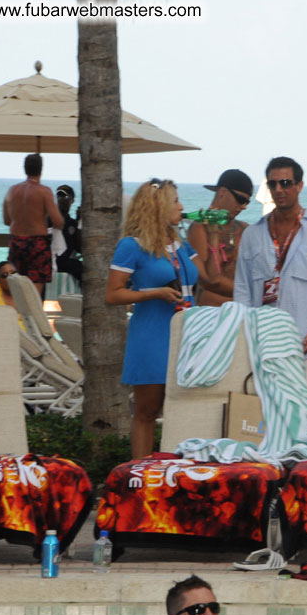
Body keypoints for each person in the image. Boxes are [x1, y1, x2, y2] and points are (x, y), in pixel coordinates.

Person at [106, 179, 219, 459]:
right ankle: (140, 476)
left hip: (186, 335)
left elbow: (208, 277)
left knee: (183, 409)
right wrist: (154, 293)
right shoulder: (132, 246)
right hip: (152, 334)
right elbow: (112, 294)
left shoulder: (179, 245)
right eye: (175, 201)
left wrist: (213, 236)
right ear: (157, 207)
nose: (182, 206)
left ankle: (177, 471)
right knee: (147, 411)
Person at [234, 157, 307, 396]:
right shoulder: (252, 235)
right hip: (263, 351)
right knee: (262, 426)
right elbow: (242, 292)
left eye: (285, 183)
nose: (278, 190)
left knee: (304, 425)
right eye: (272, 184)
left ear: (299, 186)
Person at [186, 169, 254, 307]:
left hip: (242, 311)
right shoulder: (199, 228)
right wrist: (250, 292)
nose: (244, 207)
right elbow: (210, 281)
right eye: (241, 200)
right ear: (222, 192)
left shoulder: (245, 229)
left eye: (247, 202)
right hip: (211, 313)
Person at [3, 153, 64, 298]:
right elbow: (57, 222)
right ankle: (32, 318)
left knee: (15, 287)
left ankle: (16, 317)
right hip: (37, 244)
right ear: (41, 170)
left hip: (16, 242)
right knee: (34, 293)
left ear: (24, 169)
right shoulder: (44, 191)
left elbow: (6, 220)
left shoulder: (12, 190)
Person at [54, 185, 83, 284]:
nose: (62, 200)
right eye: (59, 197)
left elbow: (79, 248)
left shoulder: (72, 223)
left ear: (72, 200)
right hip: (54, 259)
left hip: (68, 260)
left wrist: (79, 220)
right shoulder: (51, 219)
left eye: (66, 197)